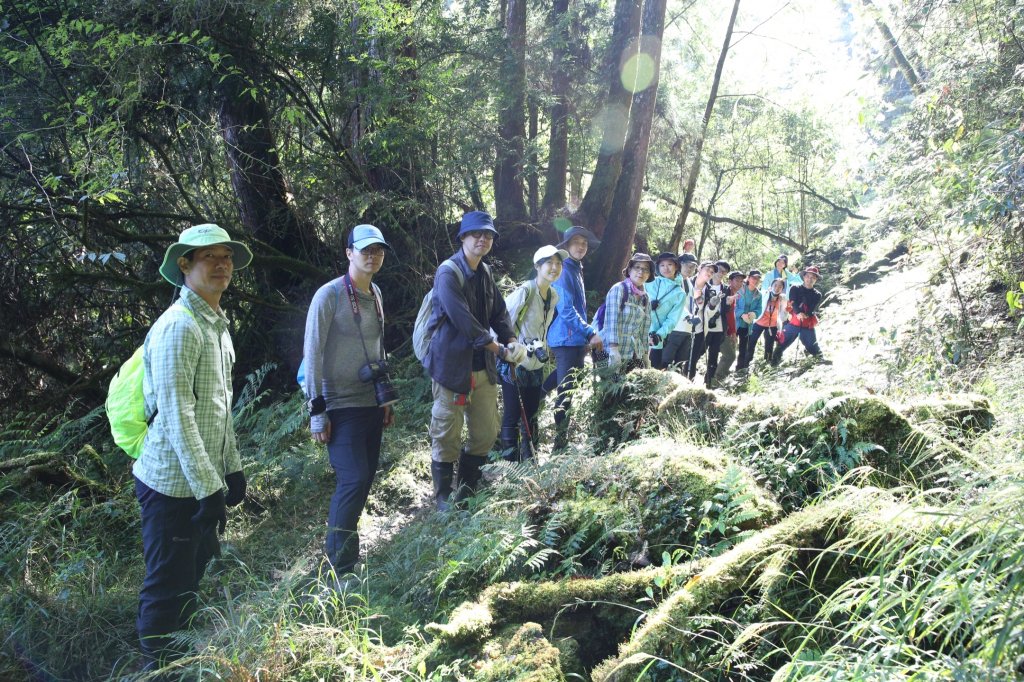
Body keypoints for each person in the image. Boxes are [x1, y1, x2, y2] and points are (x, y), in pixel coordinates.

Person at [133, 223, 252, 669]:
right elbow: (178, 416)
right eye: (208, 257)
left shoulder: (216, 324)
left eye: (226, 257)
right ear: (185, 265)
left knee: (191, 573)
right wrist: (208, 488)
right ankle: (156, 668)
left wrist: (232, 468)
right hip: (170, 486)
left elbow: (218, 410)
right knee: (168, 583)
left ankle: (177, 657)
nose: (221, 264)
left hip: (199, 480)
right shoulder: (179, 327)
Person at [302, 224, 396, 584]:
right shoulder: (329, 296)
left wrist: (385, 397)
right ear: (349, 253)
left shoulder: (377, 294)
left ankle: (347, 556)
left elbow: (377, 349)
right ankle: (339, 568)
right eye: (365, 250)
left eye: (378, 251)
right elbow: (312, 353)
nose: (372, 256)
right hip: (338, 405)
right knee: (353, 479)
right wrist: (316, 410)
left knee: (365, 478)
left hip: (370, 402)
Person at [425, 211, 524, 510]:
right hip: (452, 370)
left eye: (488, 235)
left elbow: (499, 312)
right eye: (476, 234)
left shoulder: (485, 272)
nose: (482, 239)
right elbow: (463, 321)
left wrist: (511, 339)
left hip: (483, 370)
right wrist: (498, 348)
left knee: (485, 433)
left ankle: (466, 493)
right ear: (463, 238)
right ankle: (443, 499)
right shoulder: (448, 272)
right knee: (447, 434)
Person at [499, 245, 565, 462]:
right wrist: (508, 348)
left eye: (558, 264)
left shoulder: (553, 295)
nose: (554, 268)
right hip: (516, 362)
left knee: (532, 413)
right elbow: (500, 320)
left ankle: (530, 459)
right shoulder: (525, 292)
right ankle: (510, 464)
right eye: (549, 263)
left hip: (537, 363)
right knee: (512, 415)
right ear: (537, 266)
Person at [545, 226, 604, 447]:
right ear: (567, 246)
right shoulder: (564, 271)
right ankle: (560, 443)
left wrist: (585, 337)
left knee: (565, 381)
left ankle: (535, 400)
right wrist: (589, 333)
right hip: (566, 338)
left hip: (574, 339)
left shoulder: (576, 269)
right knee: (566, 390)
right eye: (577, 242)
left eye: (585, 243)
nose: (581, 246)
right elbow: (567, 310)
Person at [600, 253, 654, 373]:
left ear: (649, 274)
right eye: (637, 267)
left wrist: (645, 354)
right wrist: (614, 351)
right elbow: (611, 322)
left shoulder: (646, 298)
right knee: (611, 390)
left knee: (630, 390)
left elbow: (645, 329)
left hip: (634, 355)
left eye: (645, 269)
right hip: (612, 353)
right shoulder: (619, 289)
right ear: (629, 270)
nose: (641, 272)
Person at [772, 265, 825, 365]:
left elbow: (812, 308)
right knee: (781, 344)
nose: (810, 279)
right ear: (804, 277)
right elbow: (793, 302)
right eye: (808, 276)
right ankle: (773, 364)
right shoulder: (795, 288)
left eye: (813, 277)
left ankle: (821, 363)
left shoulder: (817, 294)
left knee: (812, 346)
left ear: (816, 279)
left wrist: (806, 314)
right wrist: (798, 313)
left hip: (807, 324)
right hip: (793, 323)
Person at [689, 262, 727, 387]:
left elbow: (707, 311)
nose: (719, 273)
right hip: (685, 328)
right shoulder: (688, 283)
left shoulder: (722, 289)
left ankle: (707, 383)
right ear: (699, 269)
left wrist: (712, 305)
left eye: (723, 271)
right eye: (718, 270)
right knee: (689, 358)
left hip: (705, 328)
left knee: (701, 358)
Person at [647, 252, 686, 369]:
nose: (666, 268)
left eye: (670, 264)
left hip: (656, 339)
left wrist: (659, 335)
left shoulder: (680, 293)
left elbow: (672, 320)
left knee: (651, 373)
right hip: (638, 333)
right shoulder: (650, 282)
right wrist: (648, 304)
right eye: (662, 265)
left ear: (676, 267)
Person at [661, 254, 698, 368]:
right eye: (687, 265)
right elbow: (673, 303)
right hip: (674, 328)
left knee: (680, 363)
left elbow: (690, 303)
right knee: (665, 361)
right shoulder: (673, 281)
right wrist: (689, 315)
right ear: (678, 265)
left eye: (693, 266)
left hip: (687, 329)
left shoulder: (689, 282)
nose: (690, 268)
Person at [745, 276, 786, 367]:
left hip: (772, 325)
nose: (777, 288)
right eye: (775, 285)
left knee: (769, 346)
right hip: (758, 323)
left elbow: (783, 315)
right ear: (771, 286)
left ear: (782, 289)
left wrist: (786, 311)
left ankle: (767, 365)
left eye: (780, 286)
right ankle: (745, 363)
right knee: (751, 343)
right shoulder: (763, 294)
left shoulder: (782, 299)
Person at [714, 267, 744, 385]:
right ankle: (717, 379)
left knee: (730, 354)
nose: (740, 283)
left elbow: (731, 315)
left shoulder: (734, 294)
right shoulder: (726, 292)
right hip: (720, 329)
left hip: (727, 330)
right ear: (730, 281)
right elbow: (723, 312)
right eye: (737, 280)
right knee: (730, 355)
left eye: (741, 281)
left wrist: (733, 331)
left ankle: (719, 376)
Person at [734, 270, 763, 372]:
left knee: (743, 350)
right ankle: (722, 372)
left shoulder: (758, 295)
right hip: (735, 324)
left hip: (747, 326)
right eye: (754, 278)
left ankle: (740, 371)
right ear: (748, 278)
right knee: (730, 349)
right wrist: (741, 314)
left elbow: (759, 309)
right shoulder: (740, 290)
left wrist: (754, 314)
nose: (756, 280)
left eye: (758, 279)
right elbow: (733, 307)